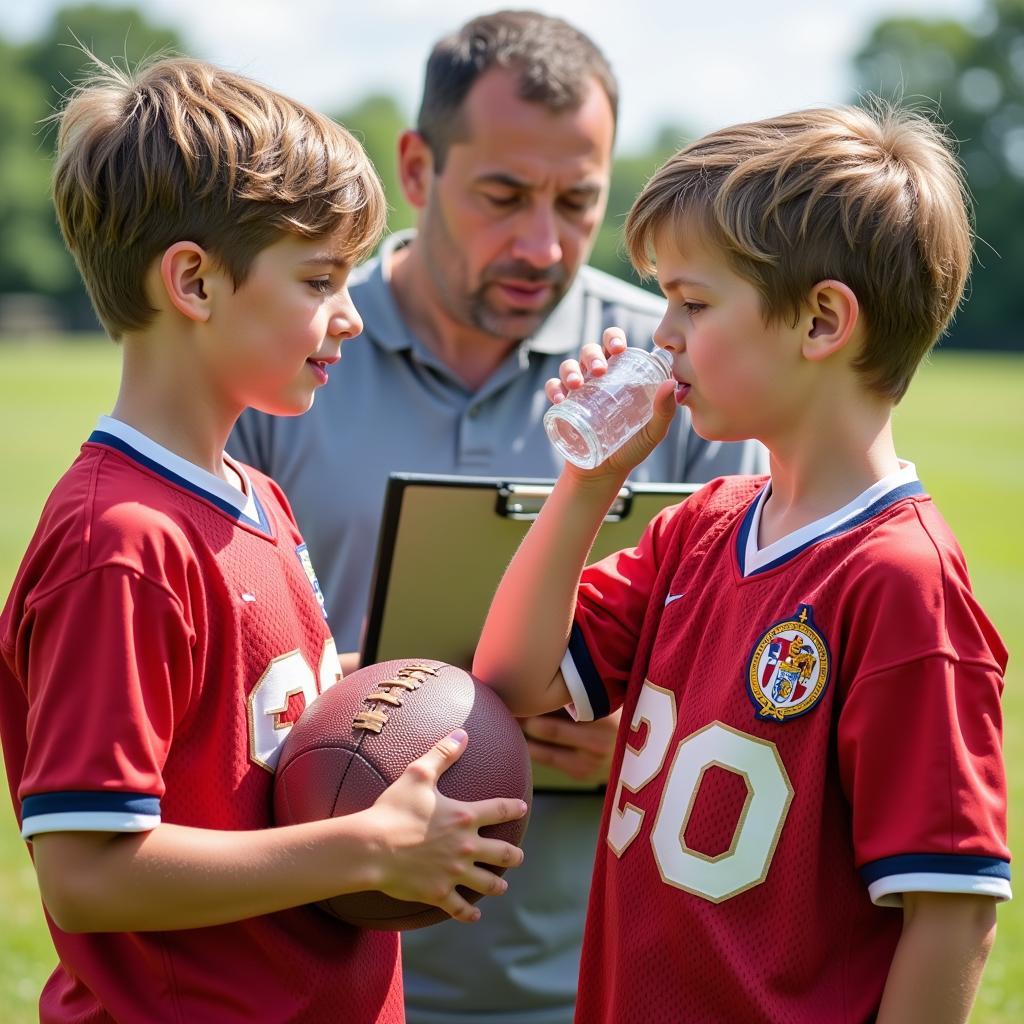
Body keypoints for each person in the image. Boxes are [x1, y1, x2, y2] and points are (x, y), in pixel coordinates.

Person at [229, 11, 766, 1023]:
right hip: (319, 973)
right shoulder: (282, 351)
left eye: (579, 201)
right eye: (505, 196)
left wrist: (656, 732)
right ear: (420, 169)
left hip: (595, 977)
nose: (542, 242)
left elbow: (761, 671)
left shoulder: (680, 367)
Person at [0, 55, 527, 1024]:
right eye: (320, 278)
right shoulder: (119, 543)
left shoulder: (257, 494)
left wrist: (454, 678)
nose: (352, 315)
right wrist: (367, 846)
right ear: (193, 281)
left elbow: (257, 721)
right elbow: (86, 871)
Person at [473, 102, 1011, 1024]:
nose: (663, 335)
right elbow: (513, 681)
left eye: (692, 302)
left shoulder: (898, 582)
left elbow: (951, 910)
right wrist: (584, 487)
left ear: (821, 322)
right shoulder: (707, 524)